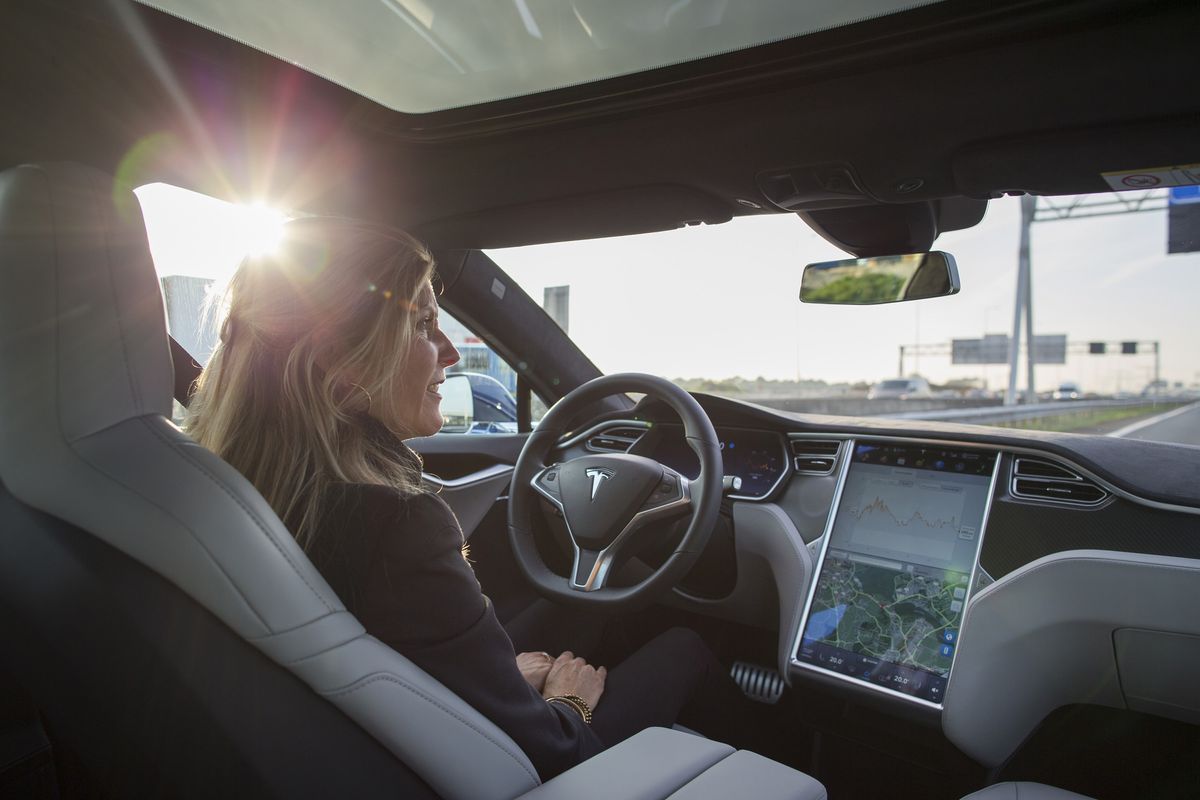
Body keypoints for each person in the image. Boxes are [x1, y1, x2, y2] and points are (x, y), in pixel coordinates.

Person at [185, 218, 746, 780]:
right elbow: (557, 751)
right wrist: (569, 702)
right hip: (512, 770)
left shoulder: (231, 492)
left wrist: (501, 678)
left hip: (381, 742)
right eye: (425, 324)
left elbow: (406, 664)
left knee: (580, 607)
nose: (450, 352)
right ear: (342, 358)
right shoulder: (396, 526)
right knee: (686, 647)